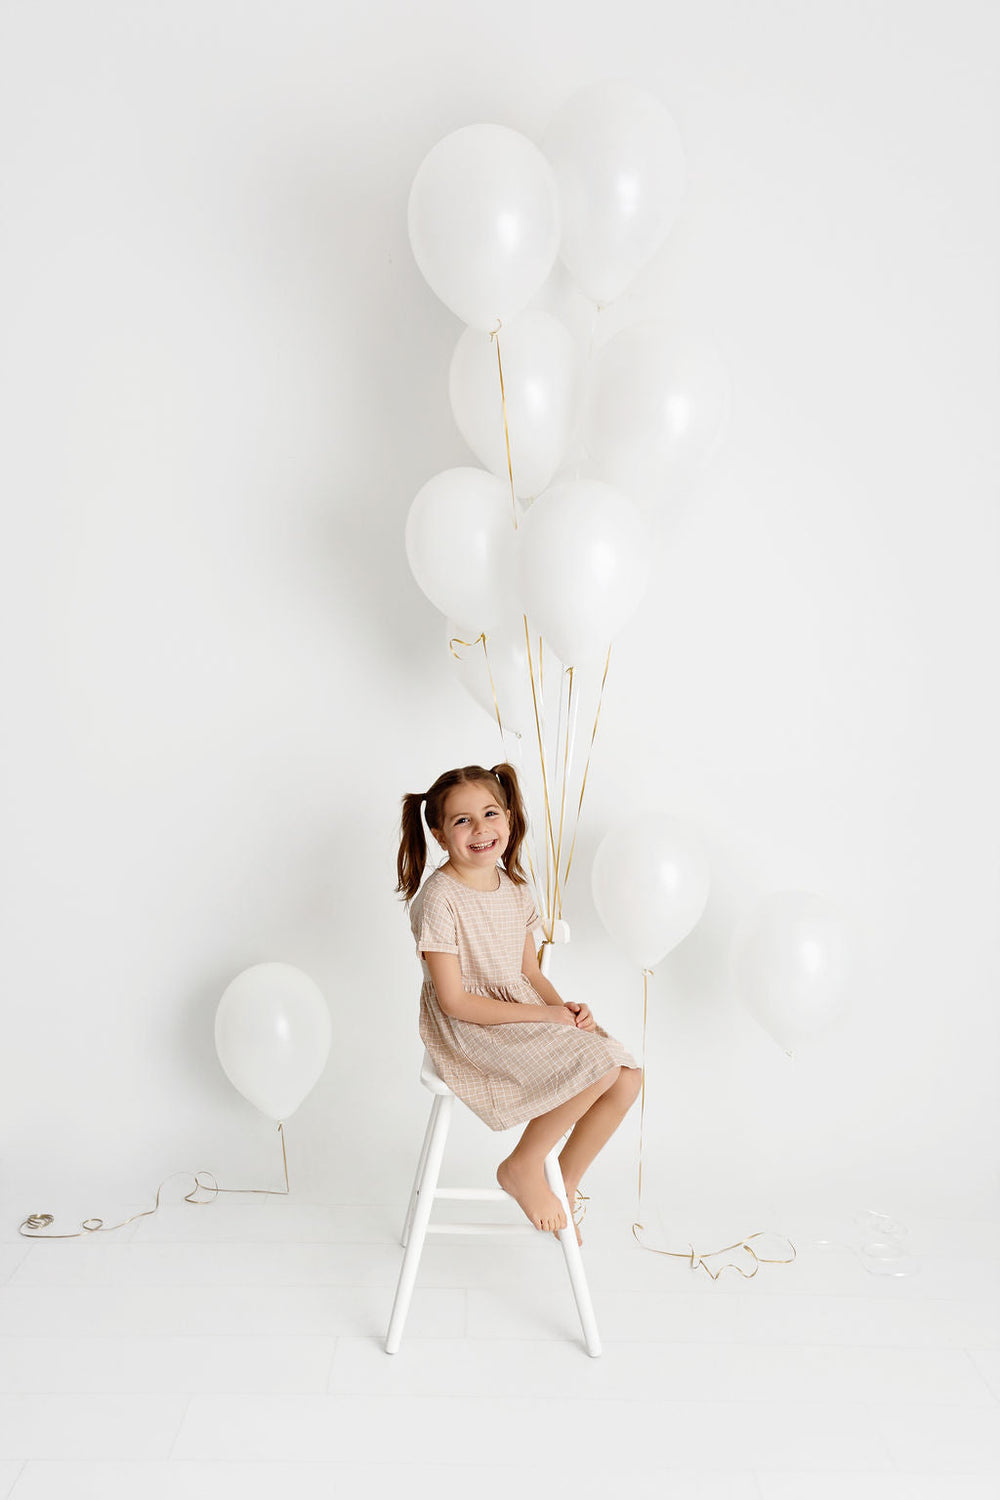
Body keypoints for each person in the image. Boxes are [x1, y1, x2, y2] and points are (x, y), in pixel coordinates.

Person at [396, 761, 641, 1243]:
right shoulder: (440, 899)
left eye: (490, 814)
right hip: (471, 1026)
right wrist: (545, 1015)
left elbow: (529, 973)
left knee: (627, 1076)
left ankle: (563, 1180)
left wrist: (566, 1011)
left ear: (508, 817)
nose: (481, 829)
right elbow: (455, 1002)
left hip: (521, 1010)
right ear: (440, 835)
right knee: (600, 1067)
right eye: (462, 820)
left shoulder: (515, 889)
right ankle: (523, 1165)